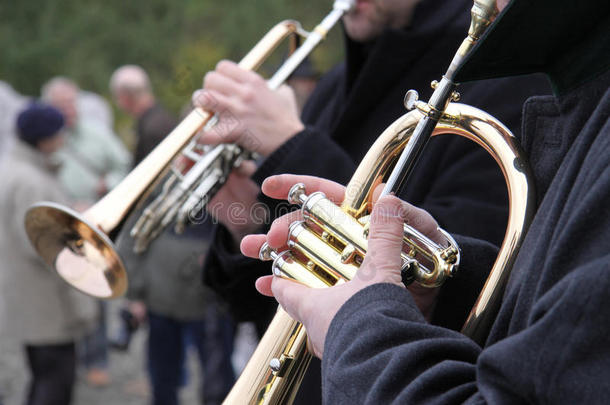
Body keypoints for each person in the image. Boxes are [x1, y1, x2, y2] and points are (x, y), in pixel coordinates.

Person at [240, 0, 610, 402]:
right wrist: (439, 284)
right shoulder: (334, 83)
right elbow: (560, 317)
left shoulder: (505, 77)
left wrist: (362, 328)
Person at [110, 64, 236, 405]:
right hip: (162, 296)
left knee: (217, 379)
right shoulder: (166, 172)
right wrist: (133, 292)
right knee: (162, 375)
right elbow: (139, 228)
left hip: (207, 299)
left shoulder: (235, 176)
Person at [0, 103, 96, 405]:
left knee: (42, 375)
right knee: (56, 380)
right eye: (58, 133)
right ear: (42, 139)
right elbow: (41, 245)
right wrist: (79, 228)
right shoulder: (30, 180)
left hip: (28, 297)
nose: (62, 139)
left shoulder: (14, 168)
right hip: (47, 303)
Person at [42, 76, 131, 386]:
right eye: (60, 104)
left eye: (71, 102)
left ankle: (97, 360)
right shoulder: (42, 139)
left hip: (92, 225)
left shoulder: (97, 135)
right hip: (52, 226)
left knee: (94, 293)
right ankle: (66, 359)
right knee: (59, 293)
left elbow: (125, 167)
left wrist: (107, 186)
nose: (68, 109)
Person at [110, 64, 177, 165]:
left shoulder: (152, 129)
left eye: (117, 97)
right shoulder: (161, 118)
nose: (118, 103)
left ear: (126, 96)